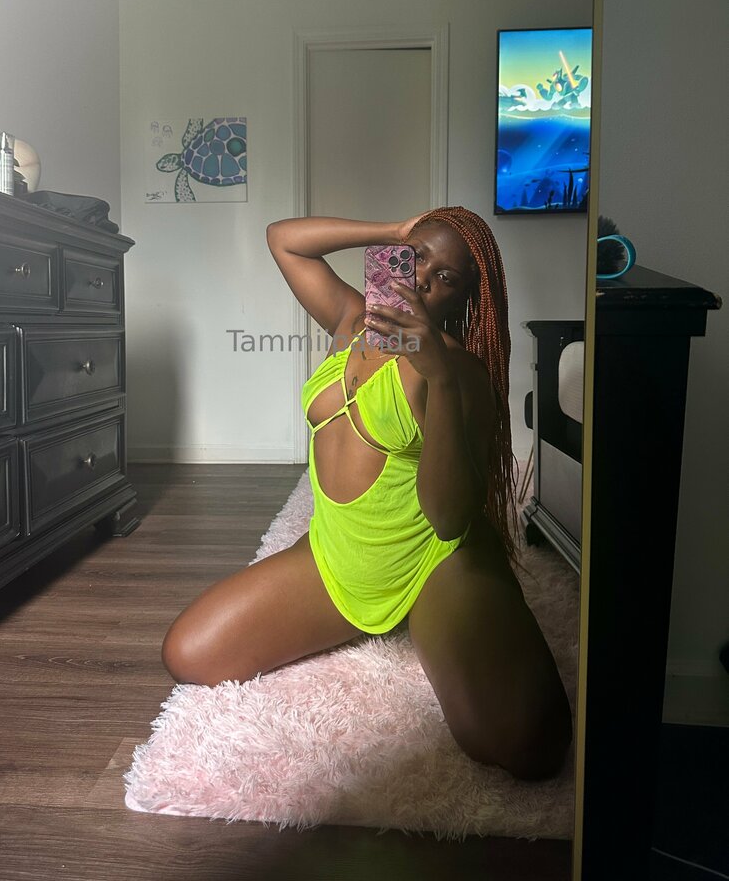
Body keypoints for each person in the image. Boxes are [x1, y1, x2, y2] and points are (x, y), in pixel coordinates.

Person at [162, 207, 573, 781]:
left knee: (529, 746)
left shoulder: (459, 371)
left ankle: (454, 602)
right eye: (415, 257)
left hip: (428, 561)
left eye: (445, 277)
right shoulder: (352, 319)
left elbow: (449, 517)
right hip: (339, 555)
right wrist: (394, 230)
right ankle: (359, 609)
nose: (421, 279)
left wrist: (439, 377)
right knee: (188, 653)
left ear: (463, 299)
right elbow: (284, 239)